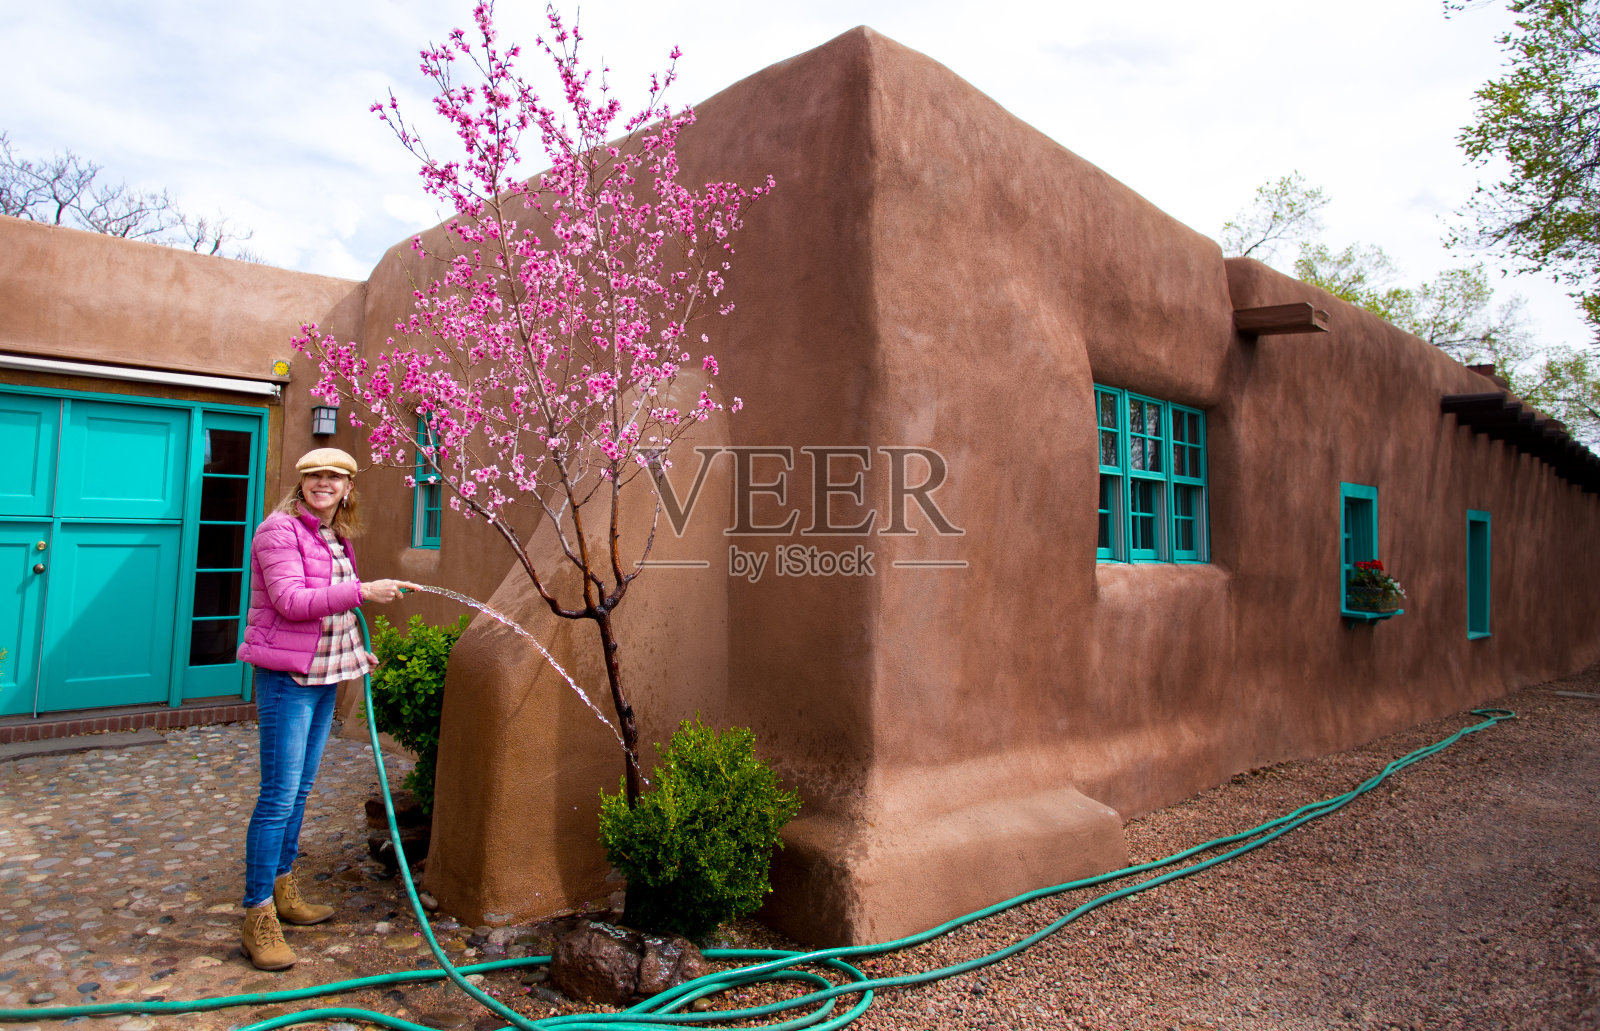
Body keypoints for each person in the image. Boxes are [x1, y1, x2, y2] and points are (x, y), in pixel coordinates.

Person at [234, 447, 416, 970]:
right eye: (315, 475)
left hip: (325, 675)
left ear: (347, 487)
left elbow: (330, 612)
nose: (324, 483)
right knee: (278, 795)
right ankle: (257, 913)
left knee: (301, 790)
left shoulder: (332, 534)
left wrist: (357, 652)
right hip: (288, 679)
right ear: (302, 481)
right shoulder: (280, 530)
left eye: (334, 477)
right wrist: (363, 590)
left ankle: (283, 887)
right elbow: (292, 601)